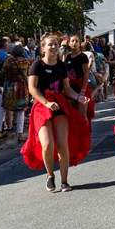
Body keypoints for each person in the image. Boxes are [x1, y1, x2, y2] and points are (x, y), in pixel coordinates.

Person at [23, 34, 85, 193]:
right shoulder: (37, 65)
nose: (53, 47)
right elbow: (32, 88)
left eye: (55, 44)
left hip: (59, 105)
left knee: (63, 144)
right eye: (50, 44)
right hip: (42, 105)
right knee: (48, 144)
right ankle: (50, 175)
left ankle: (65, 181)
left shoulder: (61, 66)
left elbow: (67, 89)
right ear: (43, 48)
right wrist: (46, 102)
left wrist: (78, 97)